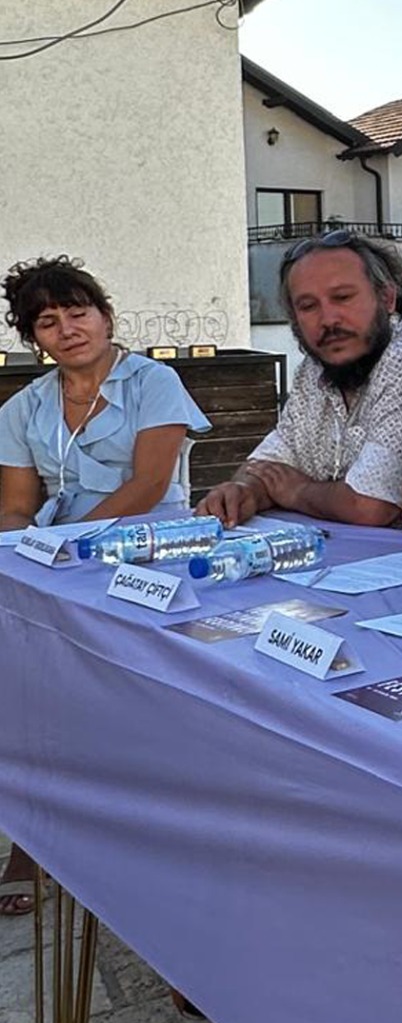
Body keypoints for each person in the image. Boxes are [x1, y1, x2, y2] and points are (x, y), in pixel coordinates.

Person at [0, 255, 209, 916]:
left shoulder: (154, 381)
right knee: (25, 677)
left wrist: (69, 549)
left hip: (150, 553)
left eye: (78, 311)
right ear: (34, 339)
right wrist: (29, 554)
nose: (67, 329)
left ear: (106, 315)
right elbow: (15, 506)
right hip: (55, 559)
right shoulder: (25, 407)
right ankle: (33, 833)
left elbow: (148, 484)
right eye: (47, 321)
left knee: (126, 685)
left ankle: (147, 828)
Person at [195, 230, 402, 528]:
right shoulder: (316, 368)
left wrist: (298, 491)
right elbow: (267, 466)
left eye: (342, 298)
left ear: (387, 298)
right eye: (308, 306)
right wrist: (244, 491)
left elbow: (370, 506)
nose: (328, 319)